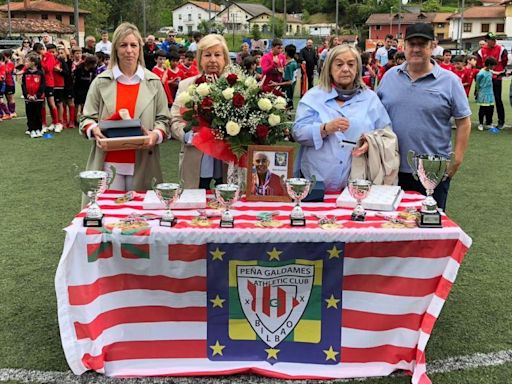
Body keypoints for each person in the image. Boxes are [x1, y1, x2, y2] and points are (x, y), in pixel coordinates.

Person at [377, 23, 471, 211]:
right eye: (412, 44)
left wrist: (457, 159)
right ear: (404, 46)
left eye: (423, 44)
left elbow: (464, 122)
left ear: (433, 46)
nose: (417, 49)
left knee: (430, 231)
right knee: (391, 229)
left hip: (432, 172)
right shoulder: (389, 77)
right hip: (391, 169)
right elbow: (375, 117)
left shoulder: (450, 81)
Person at [80, 22, 169, 194]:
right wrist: (93, 129)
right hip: (108, 162)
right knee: (109, 217)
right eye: (123, 45)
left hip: (143, 161)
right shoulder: (100, 82)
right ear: (115, 49)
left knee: (141, 217)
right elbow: (86, 118)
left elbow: (163, 120)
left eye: (133, 45)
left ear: (139, 49)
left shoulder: (154, 82)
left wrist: (155, 135)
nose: (129, 50)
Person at [292, 44, 392, 191]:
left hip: (358, 184)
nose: (345, 69)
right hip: (317, 183)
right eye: (339, 64)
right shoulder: (313, 97)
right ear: (330, 69)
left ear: (358, 68)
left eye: (351, 64)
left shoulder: (370, 99)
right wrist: (324, 128)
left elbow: (386, 133)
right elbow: (298, 133)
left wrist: (371, 143)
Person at [170, 34, 231, 189]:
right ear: (199, 58)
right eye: (207, 55)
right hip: (195, 157)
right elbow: (175, 120)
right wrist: (189, 136)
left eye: (217, 55)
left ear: (225, 59)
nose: (212, 60)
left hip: (227, 160)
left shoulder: (236, 86)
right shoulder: (186, 85)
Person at [476, 32, 508, 129]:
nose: (494, 41)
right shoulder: (481, 51)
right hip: (485, 80)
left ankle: (501, 121)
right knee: (485, 101)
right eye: (491, 39)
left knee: (498, 100)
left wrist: (498, 72)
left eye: (495, 39)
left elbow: (504, 62)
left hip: (496, 79)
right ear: (487, 41)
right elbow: (479, 64)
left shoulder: (501, 49)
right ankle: (487, 122)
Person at [21, 52, 45, 138]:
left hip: (38, 98)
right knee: (30, 114)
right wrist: (27, 95)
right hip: (28, 98)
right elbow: (23, 85)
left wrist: (36, 96)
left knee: (38, 114)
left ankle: (38, 129)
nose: (25, 64)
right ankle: (31, 129)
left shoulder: (40, 73)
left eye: (27, 62)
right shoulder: (25, 73)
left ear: (33, 63)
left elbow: (42, 86)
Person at [476, 57, 497, 131]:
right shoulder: (481, 73)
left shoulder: (490, 71)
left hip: (490, 94)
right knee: (483, 109)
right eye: (493, 65)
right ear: (488, 65)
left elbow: (496, 73)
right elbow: (477, 84)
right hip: (483, 94)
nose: (494, 67)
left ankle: (488, 123)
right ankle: (480, 124)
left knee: (490, 109)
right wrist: (477, 92)